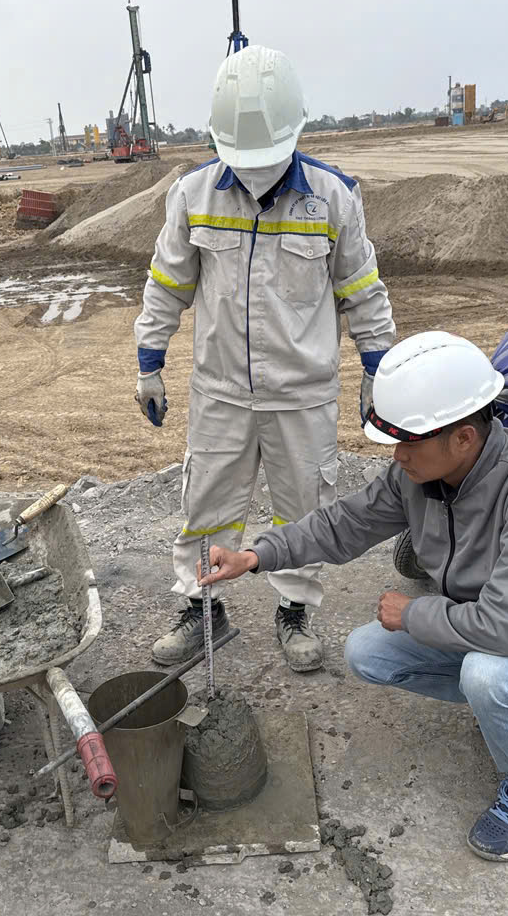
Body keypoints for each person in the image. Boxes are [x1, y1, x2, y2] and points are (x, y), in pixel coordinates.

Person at [198, 331, 508, 860]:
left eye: (409, 441)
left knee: (490, 675)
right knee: (367, 651)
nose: (398, 454)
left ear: (463, 437)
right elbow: (345, 523)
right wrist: (257, 555)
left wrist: (415, 612)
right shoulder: (420, 476)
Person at [133, 45, 396, 673]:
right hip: (220, 390)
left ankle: (294, 608)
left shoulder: (333, 198)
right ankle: (202, 608)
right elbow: (166, 284)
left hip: (302, 395)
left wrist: (377, 368)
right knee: (207, 505)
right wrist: (149, 361)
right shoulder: (193, 195)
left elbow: (362, 290)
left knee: (302, 508)